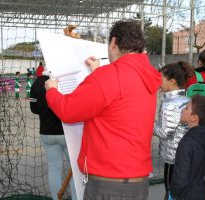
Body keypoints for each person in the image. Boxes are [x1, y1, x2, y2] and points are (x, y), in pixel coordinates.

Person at [45, 19, 162, 200]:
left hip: (108, 185)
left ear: (114, 42)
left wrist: (52, 90)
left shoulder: (108, 77)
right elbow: (119, 100)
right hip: (137, 183)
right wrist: (98, 73)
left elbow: (68, 111)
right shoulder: (145, 74)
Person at [30, 69, 77, 200]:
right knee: (75, 169)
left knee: (54, 168)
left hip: (47, 131)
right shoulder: (69, 78)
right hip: (68, 132)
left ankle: (56, 198)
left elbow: (33, 108)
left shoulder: (38, 82)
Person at [153, 61, 193, 199]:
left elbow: (165, 132)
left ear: (172, 81)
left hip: (173, 158)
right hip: (183, 156)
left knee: (171, 193)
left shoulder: (170, 103)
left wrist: (148, 125)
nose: (158, 82)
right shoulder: (185, 98)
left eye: (161, 79)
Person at [170, 95, 205, 200]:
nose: (183, 109)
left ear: (194, 117)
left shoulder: (187, 142)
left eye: (186, 107)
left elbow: (179, 180)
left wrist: (172, 193)